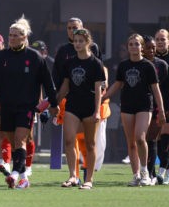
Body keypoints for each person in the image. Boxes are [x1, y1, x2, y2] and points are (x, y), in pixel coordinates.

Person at [0, 17, 57, 189]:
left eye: (16, 35)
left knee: (20, 139)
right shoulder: (0, 57)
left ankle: (14, 175)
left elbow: (47, 81)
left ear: (24, 38)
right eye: (10, 35)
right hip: (6, 106)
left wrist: (53, 102)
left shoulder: (35, 57)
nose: (12, 38)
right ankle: (24, 177)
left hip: (27, 107)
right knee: (11, 141)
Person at [103, 33, 166, 186]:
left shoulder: (148, 66)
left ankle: (145, 173)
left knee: (140, 137)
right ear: (128, 47)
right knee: (131, 142)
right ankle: (136, 175)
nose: (134, 47)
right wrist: (103, 98)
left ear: (141, 47)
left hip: (145, 105)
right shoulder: (124, 66)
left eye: (137, 44)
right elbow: (117, 85)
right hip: (127, 106)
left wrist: (162, 111)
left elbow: (156, 90)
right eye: (131, 44)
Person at [55, 28, 105, 190]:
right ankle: (72, 176)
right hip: (72, 106)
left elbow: (99, 90)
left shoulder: (95, 64)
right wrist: (55, 102)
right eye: (75, 41)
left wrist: (97, 111)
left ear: (88, 42)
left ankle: (89, 179)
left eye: (81, 41)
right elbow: (65, 87)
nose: (77, 44)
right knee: (69, 141)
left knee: (90, 144)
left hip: (90, 107)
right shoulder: (69, 62)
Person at [142, 36, 168, 183]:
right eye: (148, 47)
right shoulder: (139, 64)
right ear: (142, 48)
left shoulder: (162, 65)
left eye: (153, 47)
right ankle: (143, 172)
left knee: (152, 139)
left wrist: (165, 108)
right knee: (141, 140)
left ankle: (151, 175)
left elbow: (166, 88)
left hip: (158, 107)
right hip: (142, 106)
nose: (151, 50)